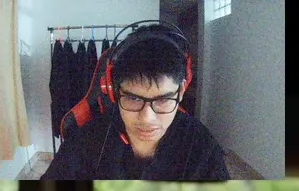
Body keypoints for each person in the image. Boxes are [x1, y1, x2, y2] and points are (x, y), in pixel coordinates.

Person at [42, 34, 229, 181]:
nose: (147, 117)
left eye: (163, 99)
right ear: (114, 92)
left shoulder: (201, 145)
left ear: (180, 92)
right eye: (133, 98)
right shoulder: (86, 140)